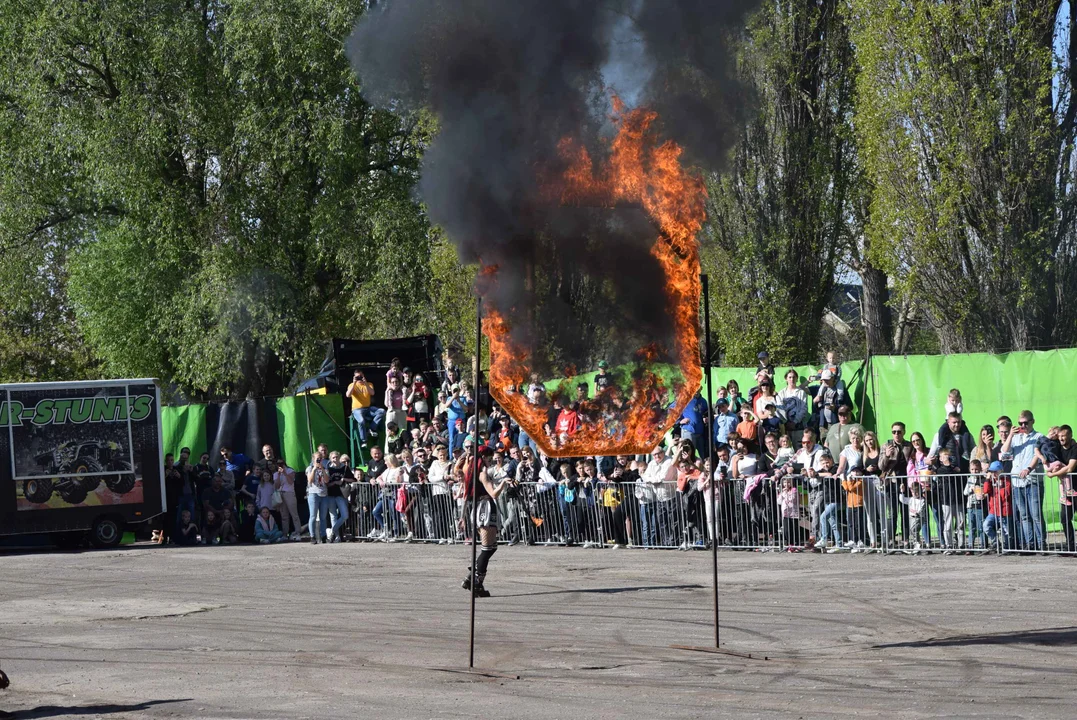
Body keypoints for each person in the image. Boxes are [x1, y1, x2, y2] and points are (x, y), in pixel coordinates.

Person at [460, 445, 513, 597]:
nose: (491, 462)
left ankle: (473, 577)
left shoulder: (471, 473)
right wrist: (504, 482)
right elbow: (494, 494)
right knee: (487, 548)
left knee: (491, 547)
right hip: (485, 508)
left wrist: (463, 516)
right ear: (483, 458)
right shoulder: (482, 474)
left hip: (477, 508)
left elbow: (466, 495)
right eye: (489, 459)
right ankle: (476, 581)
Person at [1000, 410, 1047, 551]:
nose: (1023, 426)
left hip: (1032, 480)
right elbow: (1004, 453)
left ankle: (1041, 543)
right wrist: (1010, 436)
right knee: (1024, 516)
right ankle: (1030, 544)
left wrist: (1028, 468)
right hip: (1017, 482)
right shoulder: (1015, 438)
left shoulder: (1039, 437)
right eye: (1021, 423)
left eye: (1026, 423)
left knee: (1036, 514)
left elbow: (1038, 456)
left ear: (1033, 421)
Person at [1046, 424, 1077, 552]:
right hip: (1066, 492)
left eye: (1064, 436)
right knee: (1065, 519)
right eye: (1059, 436)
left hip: (1076, 489)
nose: (1061, 438)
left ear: (1070, 435)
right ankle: (1070, 546)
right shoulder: (1058, 447)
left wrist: (1053, 474)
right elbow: (1044, 447)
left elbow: (1070, 468)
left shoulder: (1075, 448)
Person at [982, 461, 1014, 552]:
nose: (993, 474)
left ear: (1001, 471)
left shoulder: (1007, 480)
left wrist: (1000, 486)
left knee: (1006, 531)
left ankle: (1007, 547)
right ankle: (996, 542)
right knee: (986, 525)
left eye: (995, 471)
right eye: (991, 472)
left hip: (1005, 510)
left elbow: (1006, 495)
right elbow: (985, 490)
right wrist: (987, 480)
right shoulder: (991, 480)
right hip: (994, 510)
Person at [348, 371, 385, 447]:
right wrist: (354, 383)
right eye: (357, 377)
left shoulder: (369, 384)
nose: (359, 378)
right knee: (361, 421)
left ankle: (372, 428)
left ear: (363, 376)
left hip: (368, 408)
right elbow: (348, 395)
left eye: (360, 376)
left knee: (382, 411)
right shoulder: (352, 385)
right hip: (357, 409)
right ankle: (364, 440)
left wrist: (365, 383)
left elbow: (372, 393)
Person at [776, 369, 809, 443]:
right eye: (790, 377)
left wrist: (795, 422)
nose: (792, 379)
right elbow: (779, 409)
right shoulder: (781, 393)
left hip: (799, 427)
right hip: (785, 427)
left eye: (794, 377)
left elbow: (804, 409)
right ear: (786, 379)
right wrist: (785, 423)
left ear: (797, 378)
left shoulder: (801, 392)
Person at [306, 453, 330, 544]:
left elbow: (327, 480)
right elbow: (310, 480)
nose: (319, 460)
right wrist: (314, 469)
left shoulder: (325, 469)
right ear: (313, 459)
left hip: (323, 493)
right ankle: (312, 536)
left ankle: (323, 536)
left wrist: (322, 469)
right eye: (317, 459)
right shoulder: (309, 468)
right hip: (313, 493)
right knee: (313, 515)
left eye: (320, 459)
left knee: (323, 516)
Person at [273, 459, 300, 540]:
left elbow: (291, 481)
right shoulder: (275, 474)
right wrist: (278, 474)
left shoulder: (290, 470)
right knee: (284, 516)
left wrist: (284, 473)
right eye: (278, 464)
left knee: (294, 514)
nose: (280, 465)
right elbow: (276, 486)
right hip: (281, 494)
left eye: (281, 463)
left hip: (289, 493)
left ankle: (298, 532)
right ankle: (285, 534)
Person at [899, 482, 928, 555]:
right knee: (913, 531)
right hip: (911, 517)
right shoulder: (911, 499)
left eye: (916, 492)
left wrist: (917, 512)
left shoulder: (922, 500)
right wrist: (902, 492)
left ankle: (918, 545)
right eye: (913, 492)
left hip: (918, 518)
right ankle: (917, 544)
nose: (915, 494)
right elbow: (903, 500)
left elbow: (921, 509)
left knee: (914, 530)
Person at [964, 459, 987, 552]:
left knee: (981, 527)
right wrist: (971, 489)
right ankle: (970, 546)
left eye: (976, 469)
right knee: (971, 527)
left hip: (980, 506)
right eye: (972, 469)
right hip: (970, 506)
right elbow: (965, 492)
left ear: (980, 469)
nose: (974, 471)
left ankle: (983, 545)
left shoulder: (983, 479)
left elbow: (986, 491)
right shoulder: (970, 479)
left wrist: (983, 494)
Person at [777, 476, 801, 551]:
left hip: (793, 513)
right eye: (784, 482)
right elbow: (779, 501)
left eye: (788, 482)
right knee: (786, 530)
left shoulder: (794, 490)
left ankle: (796, 544)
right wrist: (783, 493)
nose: (786, 484)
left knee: (794, 528)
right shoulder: (782, 491)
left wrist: (785, 493)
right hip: (785, 512)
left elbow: (792, 499)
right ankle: (789, 544)